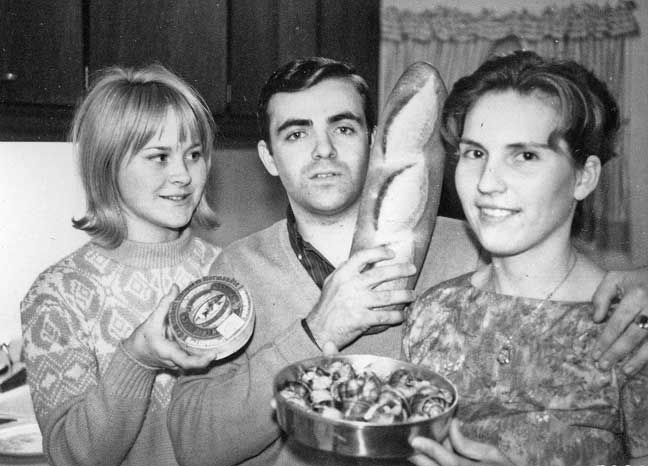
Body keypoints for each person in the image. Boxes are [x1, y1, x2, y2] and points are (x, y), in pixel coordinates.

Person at [168, 57, 648, 466]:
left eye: (343, 127)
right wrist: (316, 332)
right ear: (269, 157)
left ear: (374, 140)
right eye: (296, 133)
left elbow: (555, 267)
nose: (323, 149)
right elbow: (194, 442)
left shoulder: (478, 244)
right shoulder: (238, 270)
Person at [403, 51, 648, 466]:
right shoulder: (432, 312)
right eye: (474, 153)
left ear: (584, 176)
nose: (487, 183)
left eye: (525, 156)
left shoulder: (629, 326)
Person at [20, 64, 222, 466]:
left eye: (194, 154)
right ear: (107, 164)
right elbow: (71, 456)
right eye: (159, 157)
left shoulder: (227, 268)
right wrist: (137, 360)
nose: (183, 175)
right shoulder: (57, 295)